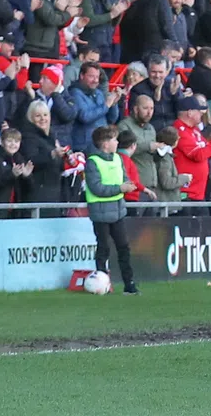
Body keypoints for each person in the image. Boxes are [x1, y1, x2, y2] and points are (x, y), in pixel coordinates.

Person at [82, 125, 138, 295]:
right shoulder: (92, 162)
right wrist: (120, 188)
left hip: (118, 211)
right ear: (105, 143)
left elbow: (124, 178)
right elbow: (96, 188)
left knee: (123, 247)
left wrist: (128, 185)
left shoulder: (118, 159)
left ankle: (129, 284)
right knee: (104, 248)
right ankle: (102, 284)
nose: (117, 142)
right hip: (100, 213)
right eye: (114, 139)